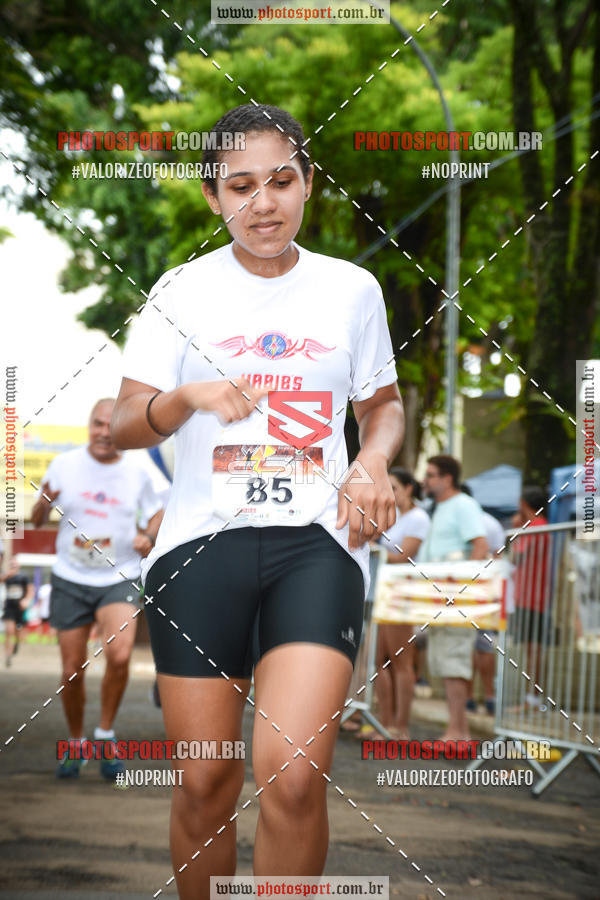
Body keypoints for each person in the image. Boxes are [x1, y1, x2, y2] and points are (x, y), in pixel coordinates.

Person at [110, 103, 404, 899]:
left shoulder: (352, 289)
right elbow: (124, 421)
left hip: (316, 543)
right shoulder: (180, 291)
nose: (263, 203)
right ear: (213, 197)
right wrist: (188, 398)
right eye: (240, 187)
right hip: (201, 548)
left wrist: (373, 462)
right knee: (207, 782)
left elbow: (383, 405)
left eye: (281, 180)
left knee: (295, 774)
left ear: (310, 183)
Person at [31, 398, 163, 779]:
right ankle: (76, 743)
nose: (104, 432)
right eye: (97, 424)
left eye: (111, 425)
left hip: (117, 575)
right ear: (88, 426)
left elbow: (158, 510)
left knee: (119, 656)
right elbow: (37, 517)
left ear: (121, 428)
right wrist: (43, 505)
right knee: (72, 669)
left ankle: (105, 734)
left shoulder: (140, 469)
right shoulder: (64, 464)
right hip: (71, 575)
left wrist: (149, 536)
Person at [419, 455, 489, 741]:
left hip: (454, 598)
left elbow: (480, 546)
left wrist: (461, 590)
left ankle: (458, 734)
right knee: (445, 665)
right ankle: (457, 732)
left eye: (431, 475)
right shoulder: (439, 508)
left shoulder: (463, 505)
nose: (426, 480)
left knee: (453, 663)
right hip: (439, 597)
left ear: (447, 478)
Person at [371, 468, 430, 738]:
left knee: (401, 663)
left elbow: (404, 556)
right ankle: (386, 724)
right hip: (384, 592)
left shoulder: (418, 517)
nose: (390, 492)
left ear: (408, 488)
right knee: (379, 662)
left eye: (394, 487)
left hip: (403, 593)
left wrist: (375, 548)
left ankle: (401, 726)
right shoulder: (391, 515)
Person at [461, 484, 505, 715]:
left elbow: (496, 557)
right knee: (482, 646)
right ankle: (486, 697)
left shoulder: (474, 521)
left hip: (477, 593)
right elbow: (498, 558)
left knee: (476, 646)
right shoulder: (491, 522)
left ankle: (477, 697)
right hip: (484, 592)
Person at [511, 486, 551, 705]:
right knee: (532, 649)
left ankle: (532, 699)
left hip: (531, 597)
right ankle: (532, 698)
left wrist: (517, 530)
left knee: (532, 649)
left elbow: (517, 556)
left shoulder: (536, 526)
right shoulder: (540, 525)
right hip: (532, 596)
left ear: (524, 504)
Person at [1, 555, 33, 666]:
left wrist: (26, 600)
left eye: (15, 564)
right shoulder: (7, 576)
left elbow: (30, 590)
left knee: (17, 631)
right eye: (11, 564)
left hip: (19, 607)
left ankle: (17, 643)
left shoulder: (23, 577)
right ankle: (8, 655)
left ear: (18, 565)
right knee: (9, 631)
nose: (13, 566)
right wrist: (8, 575)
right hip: (9, 606)